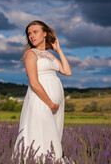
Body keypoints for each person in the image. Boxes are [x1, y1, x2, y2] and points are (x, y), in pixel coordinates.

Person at [14, 20, 72, 160]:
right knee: (40, 134)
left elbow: (67, 71)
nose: (31, 36)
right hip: (42, 101)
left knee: (54, 136)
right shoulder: (31, 54)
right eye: (29, 34)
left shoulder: (49, 55)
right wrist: (50, 104)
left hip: (55, 104)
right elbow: (34, 83)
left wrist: (59, 50)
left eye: (35, 32)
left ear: (44, 33)